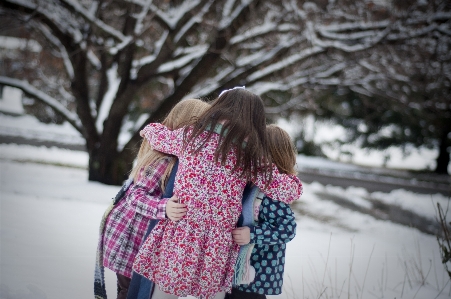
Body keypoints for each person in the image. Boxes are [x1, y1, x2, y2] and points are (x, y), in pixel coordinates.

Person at [133, 88, 303, 299]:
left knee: (164, 292)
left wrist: (151, 130)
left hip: (183, 230)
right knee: (212, 294)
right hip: (218, 242)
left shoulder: (192, 136)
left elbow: (155, 134)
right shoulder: (250, 157)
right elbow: (288, 190)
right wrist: (293, 179)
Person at [94, 98, 211, 299]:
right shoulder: (164, 160)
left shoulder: (186, 161)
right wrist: (164, 208)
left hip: (143, 239)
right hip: (131, 237)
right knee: (130, 291)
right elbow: (135, 196)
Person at [228, 124, 298, 299]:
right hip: (237, 270)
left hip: (257, 273)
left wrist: (252, 234)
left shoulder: (273, 194)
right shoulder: (250, 185)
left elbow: (288, 229)